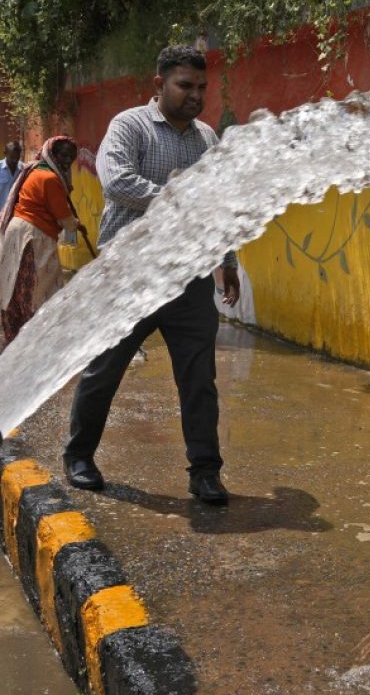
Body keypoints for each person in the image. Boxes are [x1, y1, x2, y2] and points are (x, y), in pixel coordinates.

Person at [62, 45, 240, 505]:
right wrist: (177, 198)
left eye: (202, 87)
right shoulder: (129, 126)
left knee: (198, 379)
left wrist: (229, 261)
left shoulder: (206, 140)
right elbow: (117, 181)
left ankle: (205, 471)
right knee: (104, 370)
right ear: (159, 85)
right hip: (127, 276)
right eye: (185, 86)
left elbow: (218, 205)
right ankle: (79, 456)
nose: (196, 95)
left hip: (188, 276)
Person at [0, 137, 86, 349]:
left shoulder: (34, 170)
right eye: (62, 155)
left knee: (15, 286)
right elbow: (63, 218)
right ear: (52, 154)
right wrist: (75, 224)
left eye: (71, 157)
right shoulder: (49, 178)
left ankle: (16, 336)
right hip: (34, 236)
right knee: (36, 288)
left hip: (19, 231)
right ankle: (34, 341)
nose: (67, 160)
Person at [0, 140, 24, 208]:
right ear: (5, 153)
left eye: (17, 157)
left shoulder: (24, 169)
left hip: (16, 214)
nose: (15, 160)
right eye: (12, 157)